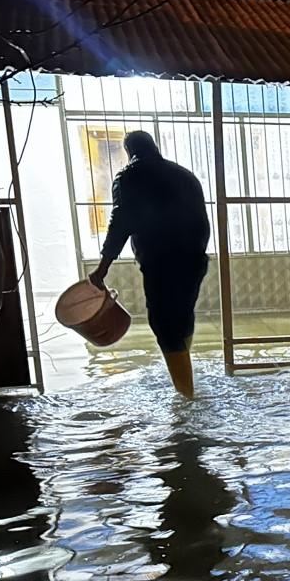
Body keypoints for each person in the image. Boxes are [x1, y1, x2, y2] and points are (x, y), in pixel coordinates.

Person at [89, 131, 210, 398]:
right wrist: (196, 254)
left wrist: (103, 267)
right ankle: (186, 377)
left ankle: (186, 397)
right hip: (194, 259)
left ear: (129, 151)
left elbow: (120, 222)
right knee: (181, 316)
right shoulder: (184, 174)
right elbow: (203, 220)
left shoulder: (129, 177)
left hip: (160, 262)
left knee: (164, 325)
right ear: (154, 147)